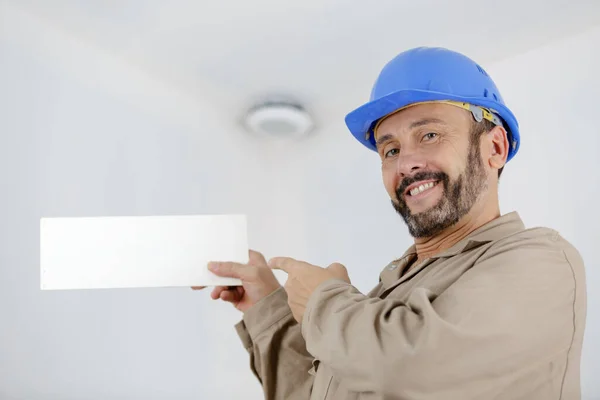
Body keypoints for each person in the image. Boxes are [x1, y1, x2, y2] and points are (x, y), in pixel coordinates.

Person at [193, 47, 587, 399]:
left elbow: (416, 369)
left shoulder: (543, 263)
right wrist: (267, 306)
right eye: (391, 149)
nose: (405, 163)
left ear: (495, 147)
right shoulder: (390, 292)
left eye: (429, 134)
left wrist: (322, 300)